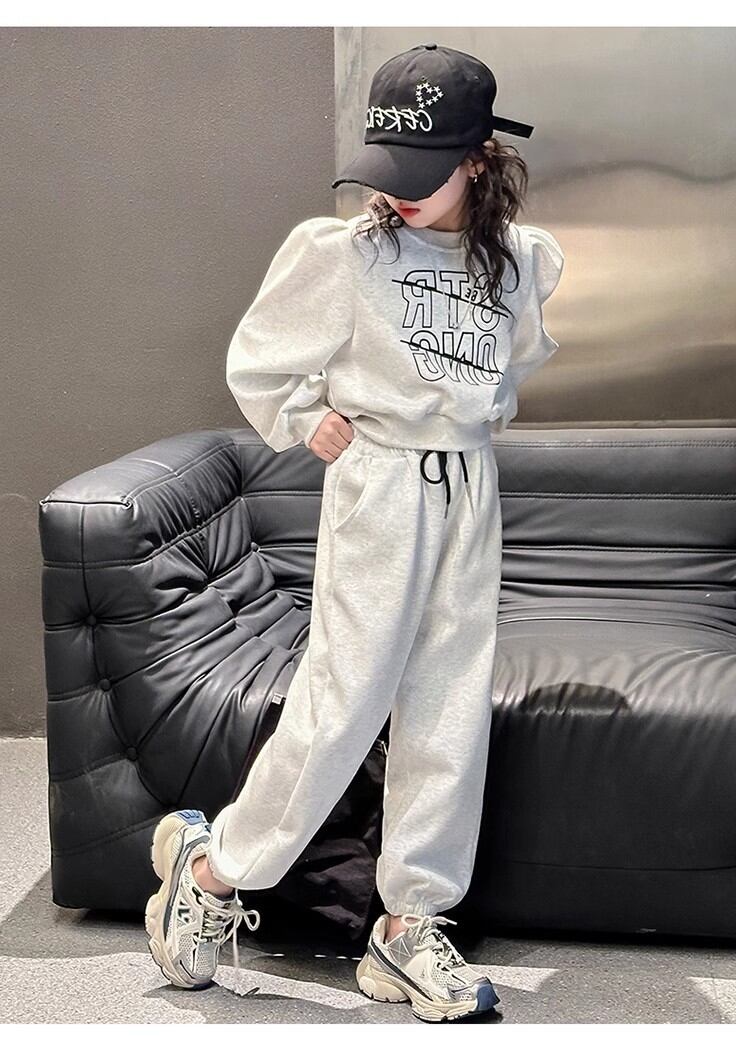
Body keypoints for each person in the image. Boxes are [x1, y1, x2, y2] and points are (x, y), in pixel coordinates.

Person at [143, 42, 564, 1023]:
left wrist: (458, 415)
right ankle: (211, 868)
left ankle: (407, 922)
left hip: (469, 487)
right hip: (380, 486)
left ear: (478, 159)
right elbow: (260, 360)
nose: (398, 193)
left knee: (448, 707)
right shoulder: (345, 254)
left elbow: (512, 364)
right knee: (342, 705)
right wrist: (305, 416)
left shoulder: (520, 261)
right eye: (388, 170)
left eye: (425, 172)